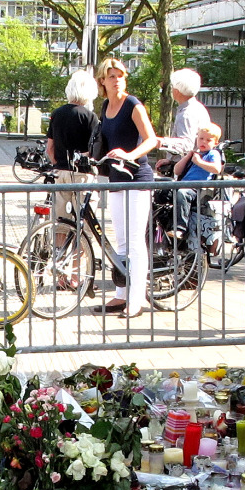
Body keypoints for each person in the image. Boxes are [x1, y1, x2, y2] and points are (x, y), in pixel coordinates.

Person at [93, 56, 157, 317]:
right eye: (111, 76)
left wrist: (130, 154)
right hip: (116, 179)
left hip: (137, 178)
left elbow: (152, 139)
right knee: (119, 241)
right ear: (102, 81)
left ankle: (137, 299)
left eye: (120, 75)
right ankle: (121, 295)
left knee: (134, 242)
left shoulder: (133, 105)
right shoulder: (106, 106)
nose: (117, 80)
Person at [45, 68, 98, 168]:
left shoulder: (56, 113)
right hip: (81, 171)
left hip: (60, 171)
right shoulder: (90, 117)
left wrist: (57, 164)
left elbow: (50, 148)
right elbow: (94, 149)